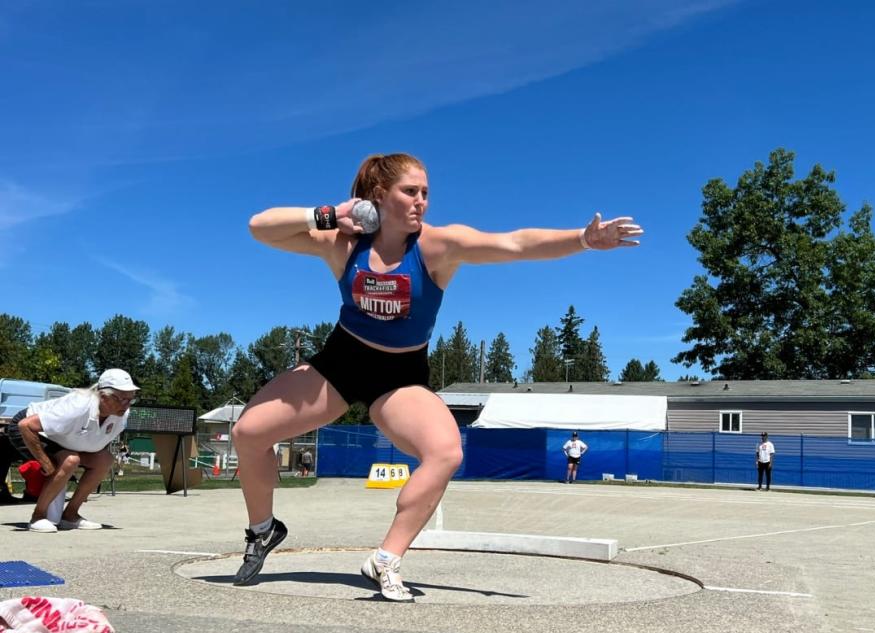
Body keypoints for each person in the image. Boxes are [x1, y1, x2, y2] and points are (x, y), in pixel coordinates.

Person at [230, 152, 643, 600]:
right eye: (410, 192)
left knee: (445, 452)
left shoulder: (438, 246)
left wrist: (583, 238)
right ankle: (262, 530)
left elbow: (516, 244)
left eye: (425, 193)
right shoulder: (343, 243)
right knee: (248, 433)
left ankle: (386, 559)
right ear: (377, 197)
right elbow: (260, 227)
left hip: (400, 376)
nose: (421, 201)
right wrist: (329, 214)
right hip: (340, 363)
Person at [0, 369, 139, 532]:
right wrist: (47, 464)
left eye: (130, 399)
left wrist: (87, 483)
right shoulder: (78, 406)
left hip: (63, 438)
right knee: (69, 460)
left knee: (105, 460)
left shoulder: (122, 414)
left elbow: (99, 443)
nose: (126, 404)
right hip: (31, 430)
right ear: (103, 396)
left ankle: (70, 516)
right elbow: (25, 425)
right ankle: (38, 516)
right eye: (122, 399)